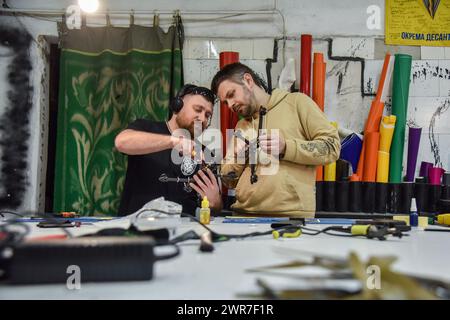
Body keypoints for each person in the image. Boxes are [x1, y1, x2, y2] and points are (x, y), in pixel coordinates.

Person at [210, 63, 340, 217]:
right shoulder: (241, 126)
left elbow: (332, 147)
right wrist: (240, 158)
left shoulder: (297, 103)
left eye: (231, 94)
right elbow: (227, 180)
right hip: (242, 216)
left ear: (248, 81)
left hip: (289, 217)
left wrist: (286, 148)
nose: (230, 105)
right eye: (225, 102)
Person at [115, 84, 222, 216]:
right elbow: (121, 142)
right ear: (177, 106)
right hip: (137, 229)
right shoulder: (146, 128)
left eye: (208, 115)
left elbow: (215, 210)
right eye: (197, 109)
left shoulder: (206, 154)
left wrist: (215, 203)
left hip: (184, 232)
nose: (202, 118)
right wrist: (174, 141)